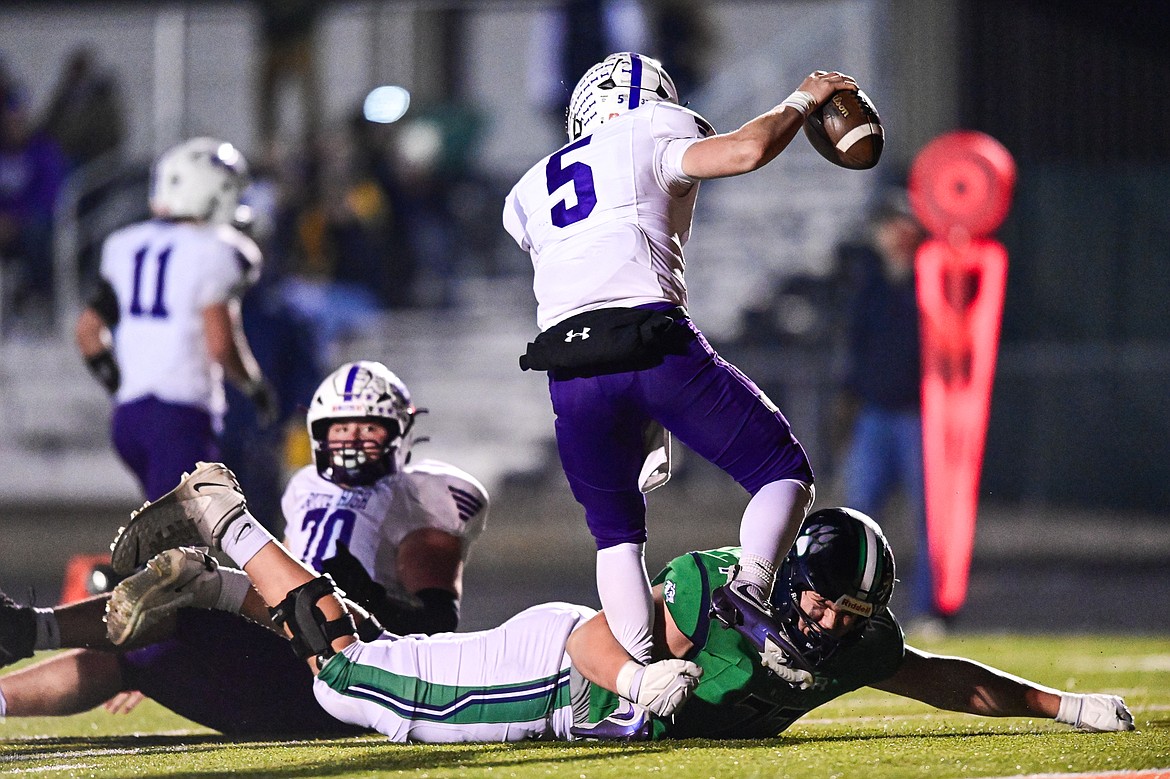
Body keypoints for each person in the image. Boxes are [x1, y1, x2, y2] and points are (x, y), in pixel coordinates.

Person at [5, 473, 1128, 741]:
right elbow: (610, 628)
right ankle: (227, 522)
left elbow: (944, 673)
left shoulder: (855, 635)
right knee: (338, 674)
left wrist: (1065, 708)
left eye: (852, 608)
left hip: (560, 691)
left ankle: (219, 569)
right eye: (826, 599)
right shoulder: (722, 590)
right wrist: (638, 673)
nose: (836, 623)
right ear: (790, 581)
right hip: (551, 675)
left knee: (367, 654)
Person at [501, 52, 851, 676]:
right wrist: (801, 100)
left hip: (569, 367)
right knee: (782, 472)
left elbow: (583, 257)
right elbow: (743, 152)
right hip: (651, 342)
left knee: (615, 536)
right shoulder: (651, 129)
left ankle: (645, 679)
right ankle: (751, 589)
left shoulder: (527, 187)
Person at [0, 362, 489, 735]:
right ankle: (21, 640)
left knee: (175, 602)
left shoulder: (427, 495)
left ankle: (27, 627)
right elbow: (286, 589)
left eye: (368, 429)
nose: (352, 442)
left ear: (400, 431)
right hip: (293, 652)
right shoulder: (302, 487)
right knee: (149, 633)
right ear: (318, 436)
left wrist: (356, 596)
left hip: (358, 673)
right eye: (340, 430)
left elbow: (431, 628)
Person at [74, 137, 276, 502]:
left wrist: (124, 388)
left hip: (127, 421)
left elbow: (88, 332)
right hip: (181, 416)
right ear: (213, 192)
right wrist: (254, 385)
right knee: (177, 544)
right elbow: (220, 345)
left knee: (171, 534)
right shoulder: (218, 248)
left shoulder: (123, 244)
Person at [834, 191, 939, 629]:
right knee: (859, 518)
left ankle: (931, 610)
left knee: (930, 520)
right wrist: (848, 403)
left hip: (922, 417)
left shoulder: (932, 277)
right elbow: (857, 348)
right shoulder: (870, 281)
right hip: (875, 414)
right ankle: (855, 608)